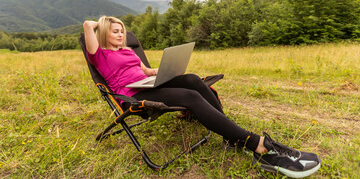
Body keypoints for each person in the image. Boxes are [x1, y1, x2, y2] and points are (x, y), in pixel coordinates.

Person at [83, 16, 321, 178]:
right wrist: (96, 22)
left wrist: (160, 71)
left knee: (192, 79)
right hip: (133, 95)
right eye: (115, 31)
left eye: (122, 31)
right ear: (104, 32)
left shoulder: (126, 50)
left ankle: (230, 136)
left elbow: (143, 70)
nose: (121, 35)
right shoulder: (99, 54)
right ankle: (256, 145)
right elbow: (87, 31)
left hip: (146, 83)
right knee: (189, 97)